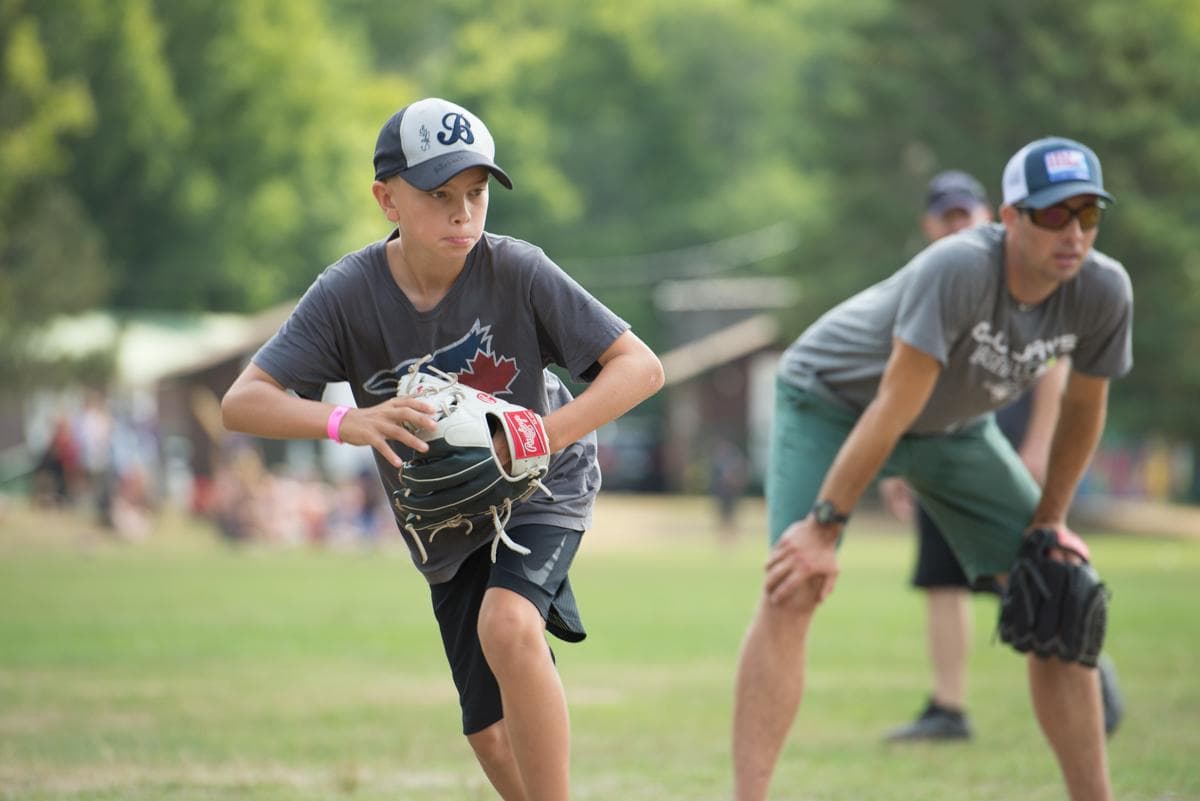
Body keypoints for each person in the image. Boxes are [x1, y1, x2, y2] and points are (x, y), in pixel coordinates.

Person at [221, 97, 664, 801]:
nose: (464, 212)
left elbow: (640, 365)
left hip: (541, 482)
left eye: (477, 192)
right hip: (443, 518)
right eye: (439, 194)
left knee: (508, 621)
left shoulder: (518, 270)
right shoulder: (347, 293)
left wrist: (542, 434)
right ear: (386, 199)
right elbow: (242, 401)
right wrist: (346, 423)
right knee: (488, 731)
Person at [731, 136, 1130, 801]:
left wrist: (1050, 523)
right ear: (1011, 217)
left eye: (1088, 215)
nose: (1075, 233)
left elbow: (1084, 407)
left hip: (950, 427)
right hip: (834, 399)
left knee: (1058, 584)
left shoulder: (1103, 289)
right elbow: (893, 404)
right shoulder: (959, 268)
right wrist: (823, 528)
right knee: (792, 582)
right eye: (1055, 214)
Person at [880, 170, 1111, 741]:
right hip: (938, 439)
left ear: (991, 215)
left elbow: (1057, 363)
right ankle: (948, 707)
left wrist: (1036, 444)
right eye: (947, 214)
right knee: (941, 577)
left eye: (967, 212)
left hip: (1000, 435)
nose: (958, 222)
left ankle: (1092, 678)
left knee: (1031, 570)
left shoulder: (1015, 271)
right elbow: (904, 377)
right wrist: (896, 460)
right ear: (929, 223)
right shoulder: (927, 278)